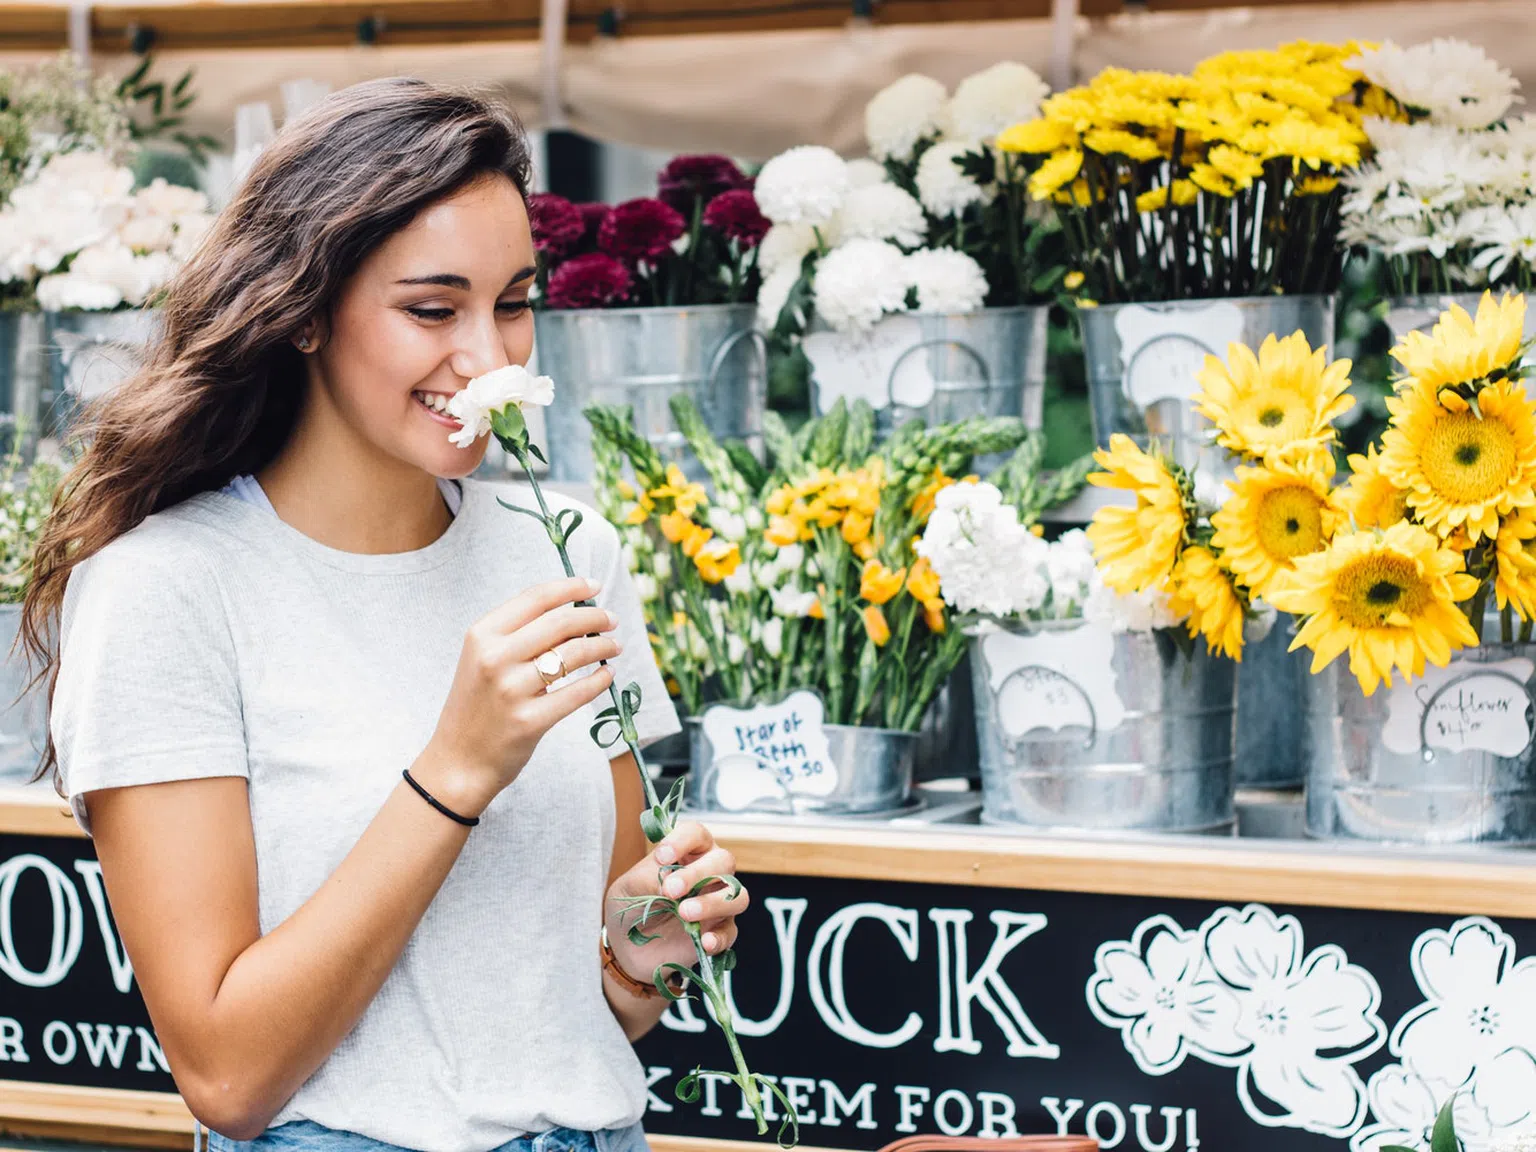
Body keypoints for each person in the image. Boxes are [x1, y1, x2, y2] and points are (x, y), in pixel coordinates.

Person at [22, 78, 748, 1152]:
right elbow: (226, 1075)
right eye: (431, 309)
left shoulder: (565, 551)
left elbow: (590, 1012)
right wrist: (454, 769)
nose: (490, 359)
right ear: (305, 312)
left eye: (513, 303)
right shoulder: (166, 590)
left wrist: (645, 948)